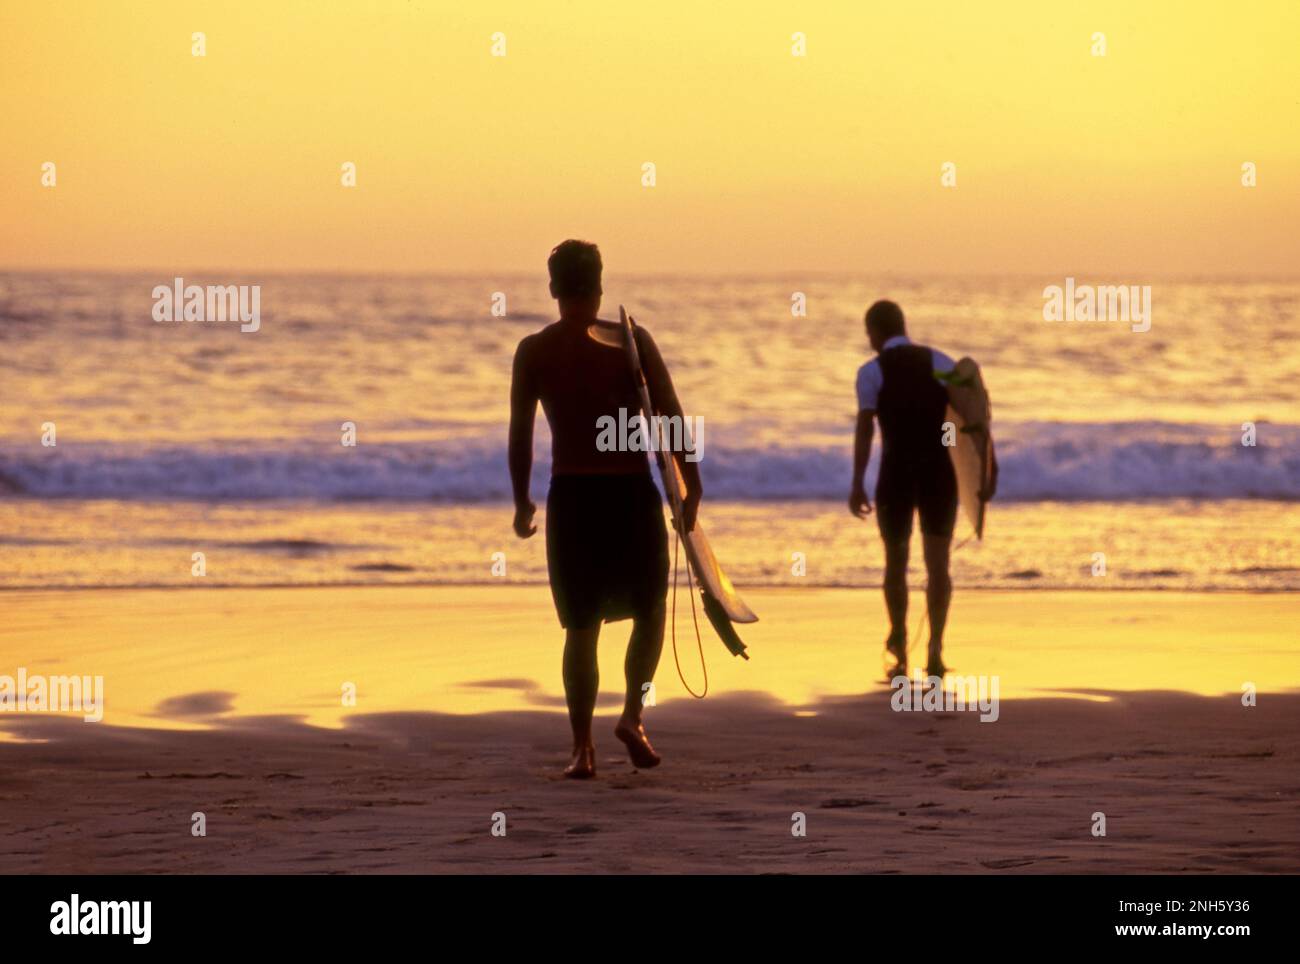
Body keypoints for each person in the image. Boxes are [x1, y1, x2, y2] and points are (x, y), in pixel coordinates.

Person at [509, 240, 701, 778]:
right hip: (629, 495)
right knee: (650, 611)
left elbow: (520, 433)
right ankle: (632, 717)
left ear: (552, 288)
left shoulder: (534, 350)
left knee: (581, 628)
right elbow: (670, 416)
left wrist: (521, 500)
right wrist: (692, 485)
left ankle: (581, 749)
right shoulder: (631, 343)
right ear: (600, 285)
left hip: (571, 499)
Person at [848, 299, 981, 679]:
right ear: (903, 325)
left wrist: (857, 482)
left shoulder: (871, 372)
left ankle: (900, 646)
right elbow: (974, 418)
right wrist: (985, 472)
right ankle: (936, 651)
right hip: (939, 475)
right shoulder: (941, 363)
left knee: (896, 564)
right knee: (939, 566)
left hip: (896, 477)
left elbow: (865, 429)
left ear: (873, 332)